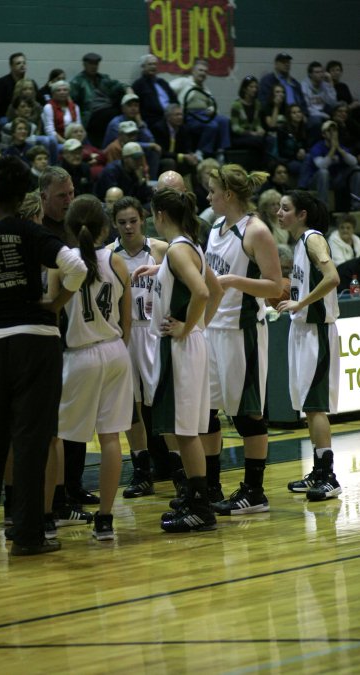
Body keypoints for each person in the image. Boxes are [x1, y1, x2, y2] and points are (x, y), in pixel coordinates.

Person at [0, 156, 87, 556]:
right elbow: (76, 267)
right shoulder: (30, 231)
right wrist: (57, 301)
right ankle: (27, 535)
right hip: (35, 338)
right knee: (31, 438)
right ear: (27, 193)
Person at [135, 187, 222, 532]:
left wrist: (188, 326)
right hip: (189, 343)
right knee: (183, 429)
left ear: (159, 215)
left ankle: (200, 506)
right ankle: (194, 497)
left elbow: (202, 292)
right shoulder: (189, 246)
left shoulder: (177, 250)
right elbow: (214, 290)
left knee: (185, 431)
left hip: (181, 345)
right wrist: (198, 325)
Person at [49, 195, 133, 540]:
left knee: (56, 438)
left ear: (69, 226)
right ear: (106, 227)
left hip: (78, 355)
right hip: (114, 351)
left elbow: (52, 314)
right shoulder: (118, 262)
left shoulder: (61, 263)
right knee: (111, 437)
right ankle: (105, 520)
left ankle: (48, 516)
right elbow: (127, 324)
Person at [202, 164, 282, 516]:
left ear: (228, 195)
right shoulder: (217, 227)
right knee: (207, 413)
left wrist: (234, 281)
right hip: (213, 329)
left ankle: (254, 491)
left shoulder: (256, 231)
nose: (208, 197)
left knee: (248, 413)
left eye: (212, 191)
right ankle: (210, 485)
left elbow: (276, 286)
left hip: (242, 330)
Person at [39, 166, 99, 506]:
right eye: (62, 195)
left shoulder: (76, 229)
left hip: (79, 330)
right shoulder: (36, 231)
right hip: (51, 331)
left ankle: (73, 484)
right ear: (43, 195)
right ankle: (55, 492)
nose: (69, 200)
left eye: (72, 193)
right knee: (59, 421)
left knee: (76, 420)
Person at [277, 191, 341, 501]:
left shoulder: (313, 239)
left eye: (285, 208)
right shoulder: (298, 243)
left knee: (316, 405)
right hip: (301, 329)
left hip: (317, 330)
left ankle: (329, 476)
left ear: (302, 214)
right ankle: (318, 471)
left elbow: (332, 277)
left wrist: (300, 302)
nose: (279, 213)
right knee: (307, 405)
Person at [107, 196, 168, 497]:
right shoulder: (109, 255)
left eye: (133, 220)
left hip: (155, 333)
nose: (128, 227)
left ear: (142, 219)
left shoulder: (161, 250)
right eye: (122, 222)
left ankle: (178, 469)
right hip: (125, 335)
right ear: (114, 224)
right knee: (131, 407)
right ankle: (141, 471)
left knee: (161, 403)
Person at [170, 59, 231, 162]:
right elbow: (168, 87)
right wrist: (174, 105)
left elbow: (213, 104)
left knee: (224, 120)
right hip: (191, 114)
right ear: (193, 71)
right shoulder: (184, 82)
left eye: (205, 72)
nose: (203, 73)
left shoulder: (205, 89)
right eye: (200, 70)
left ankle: (221, 151)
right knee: (212, 125)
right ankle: (200, 151)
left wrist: (212, 110)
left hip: (205, 114)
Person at [69, 53, 128, 147]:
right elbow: (71, 102)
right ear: (84, 65)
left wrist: (128, 90)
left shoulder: (103, 78)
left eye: (96, 64)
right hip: (92, 114)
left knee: (125, 104)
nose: (94, 67)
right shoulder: (78, 82)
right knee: (113, 113)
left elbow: (119, 85)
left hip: (107, 109)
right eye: (91, 64)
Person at [304, 119, 360, 211]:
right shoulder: (317, 147)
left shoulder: (340, 147)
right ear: (323, 134)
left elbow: (354, 162)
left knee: (356, 169)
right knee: (323, 172)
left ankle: (357, 205)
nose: (333, 133)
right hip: (317, 181)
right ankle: (323, 208)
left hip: (337, 180)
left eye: (335, 130)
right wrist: (333, 149)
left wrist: (339, 149)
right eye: (329, 131)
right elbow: (321, 165)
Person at [95, 142, 153, 208]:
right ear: (125, 158)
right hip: (109, 205)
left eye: (140, 158)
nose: (138, 161)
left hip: (128, 203)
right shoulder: (111, 171)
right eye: (135, 158)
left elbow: (146, 197)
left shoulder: (137, 170)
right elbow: (114, 198)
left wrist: (141, 180)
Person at [132, 55, 178, 131]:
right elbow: (135, 107)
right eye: (150, 64)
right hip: (153, 120)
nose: (153, 67)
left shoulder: (162, 82)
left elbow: (174, 100)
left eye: (155, 64)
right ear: (143, 67)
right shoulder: (138, 85)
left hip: (170, 118)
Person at [230, 76, 267, 170]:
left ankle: (262, 167)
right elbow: (235, 128)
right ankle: (261, 168)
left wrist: (260, 129)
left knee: (269, 139)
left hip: (253, 136)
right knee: (258, 141)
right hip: (239, 137)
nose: (254, 89)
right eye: (251, 87)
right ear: (244, 89)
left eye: (255, 87)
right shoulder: (236, 105)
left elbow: (257, 123)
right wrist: (251, 133)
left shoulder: (257, 104)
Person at [151, 103, 198, 176]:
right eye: (177, 115)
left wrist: (191, 155)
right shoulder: (158, 128)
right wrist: (183, 156)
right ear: (168, 117)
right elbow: (162, 152)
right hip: (161, 159)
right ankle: (169, 187)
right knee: (170, 162)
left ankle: (192, 187)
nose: (180, 117)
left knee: (193, 162)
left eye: (181, 115)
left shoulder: (184, 129)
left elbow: (187, 147)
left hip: (176, 157)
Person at [0, 52, 37, 123]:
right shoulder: (2, 83)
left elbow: (37, 101)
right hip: (7, 118)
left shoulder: (31, 83)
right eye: (18, 63)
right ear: (11, 66)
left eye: (24, 63)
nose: (22, 65)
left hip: (29, 116)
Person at [301, 62, 337, 142]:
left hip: (324, 112)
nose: (321, 74)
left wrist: (330, 82)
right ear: (310, 74)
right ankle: (313, 146)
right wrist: (322, 115)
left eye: (322, 72)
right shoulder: (304, 86)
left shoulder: (324, 85)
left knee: (338, 114)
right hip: (311, 115)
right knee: (317, 121)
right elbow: (307, 107)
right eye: (317, 72)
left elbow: (333, 103)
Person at [42, 80, 81, 146]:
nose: (62, 92)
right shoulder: (48, 107)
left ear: (69, 93)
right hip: (58, 142)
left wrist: (75, 142)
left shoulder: (75, 107)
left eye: (65, 90)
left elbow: (78, 125)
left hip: (74, 139)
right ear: (53, 93)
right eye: (58, 90)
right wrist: (65, 142)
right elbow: (50, 131)